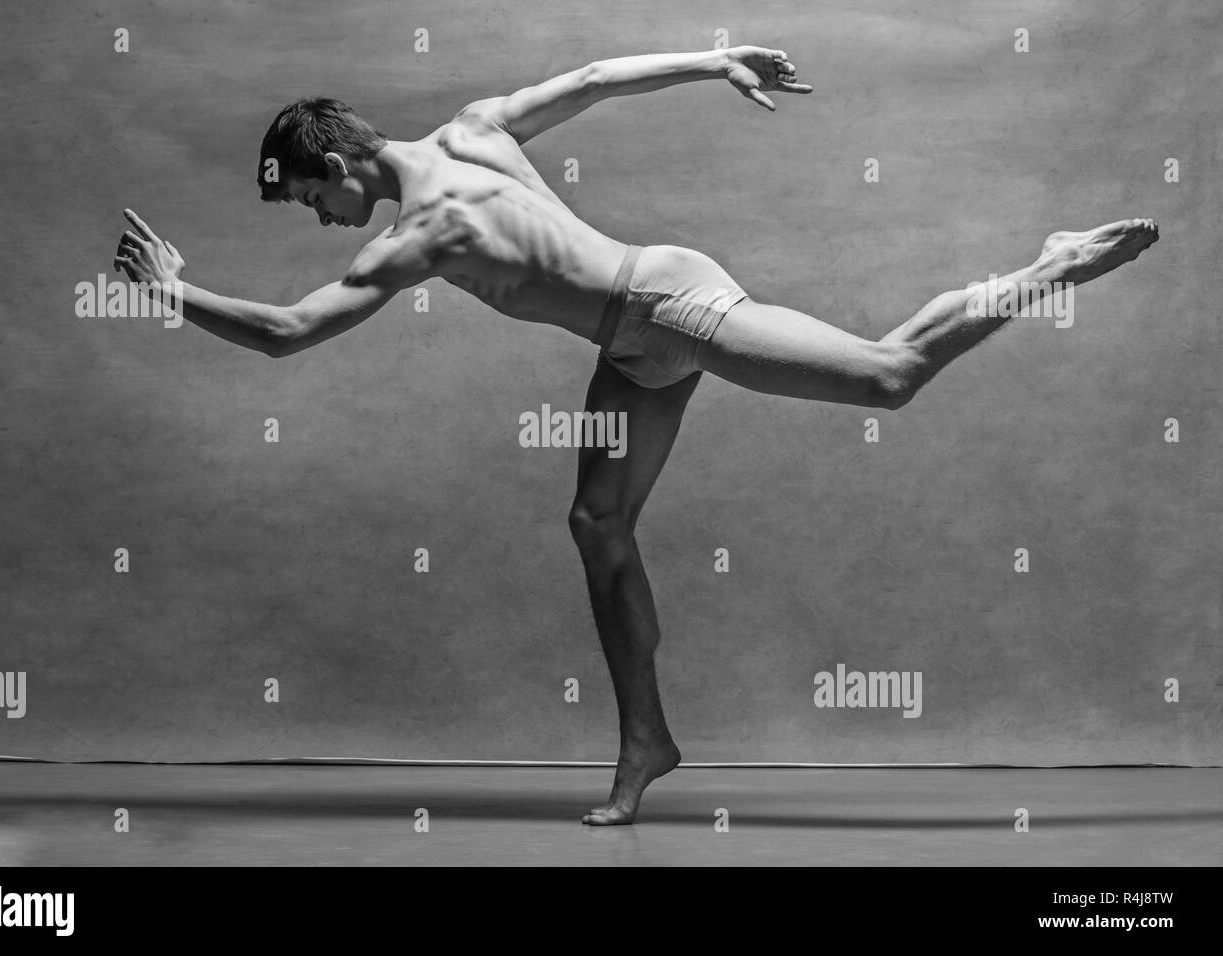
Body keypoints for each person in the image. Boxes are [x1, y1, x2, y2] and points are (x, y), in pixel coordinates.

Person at [114, 45, 1159, 825]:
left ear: (340, 161)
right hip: (630, 345)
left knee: (888, 375)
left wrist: (172, 294)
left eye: (312, 199)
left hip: (666, 310)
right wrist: (712, 60)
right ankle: (646, 742)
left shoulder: (423, 231)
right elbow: (599, 76)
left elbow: (290, 333)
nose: (323, 219)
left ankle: (1048, 266)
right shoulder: (472, 126)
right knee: (596, 522)